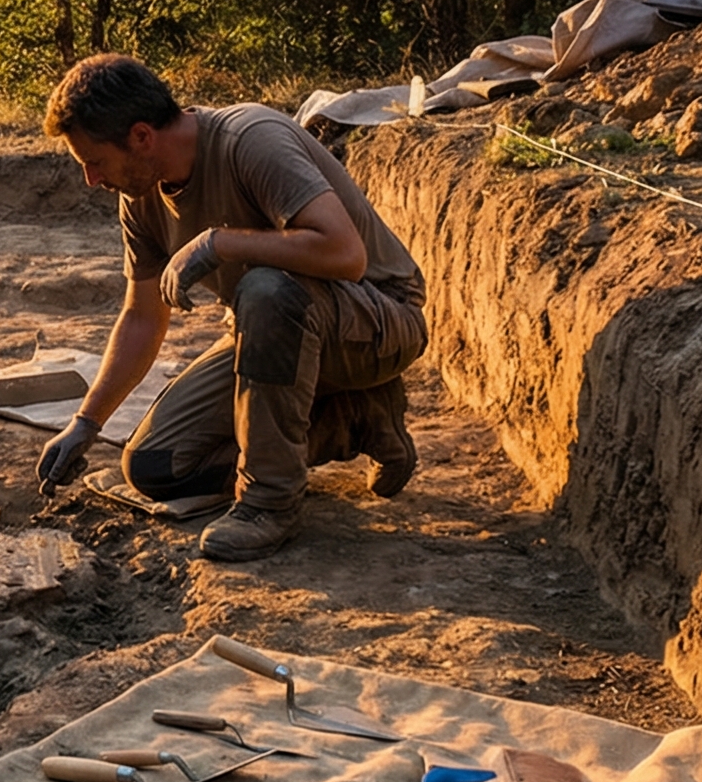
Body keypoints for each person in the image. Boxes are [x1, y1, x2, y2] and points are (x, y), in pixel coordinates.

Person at [34, 54, 427, 561]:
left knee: (265, 291)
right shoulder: (140, 192)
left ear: (140, 137)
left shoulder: (250, 140)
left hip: (377, 321)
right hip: (275, 329)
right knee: (157, 465)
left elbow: (345, 255)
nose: (90, 178)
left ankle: (269, 502)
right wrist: (86, 423)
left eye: (94, 161)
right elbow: (142, 316)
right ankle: (358, 419)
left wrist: (220, 243)